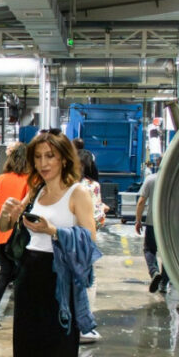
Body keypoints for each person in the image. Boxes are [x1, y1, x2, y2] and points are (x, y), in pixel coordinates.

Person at [0, 129, 99, 357]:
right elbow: (8, 228)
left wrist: (53, 231)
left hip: (59, 282)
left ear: (64, 158)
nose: (43, 163)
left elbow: (89, 241)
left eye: (50, 156)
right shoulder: (35, 189)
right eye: (38, 157)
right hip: (30, 277)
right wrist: (9, 214)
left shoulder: (77, 193)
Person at [0, 142, 30, 330]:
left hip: (3, 233)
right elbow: (28, 209)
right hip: (20, 236)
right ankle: (22, 317)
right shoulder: (30, 180)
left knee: (4, 273)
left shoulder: (2, 178)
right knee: (22, 275)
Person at [74, 138, 106, 344]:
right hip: (85, 239)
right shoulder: (92, 186)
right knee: (88, 282)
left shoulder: (66, 185)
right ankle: (85, 326)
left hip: (66, 237)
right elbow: (97, 217)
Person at [135, 164, 166, 294]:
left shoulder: (151, 179)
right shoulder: (175, 180)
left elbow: (141, 201)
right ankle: (164, 283)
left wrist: (138, 220)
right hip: (169, 225)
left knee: (149, 249)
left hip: (153, 222)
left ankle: (154, 272)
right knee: (168, 254)